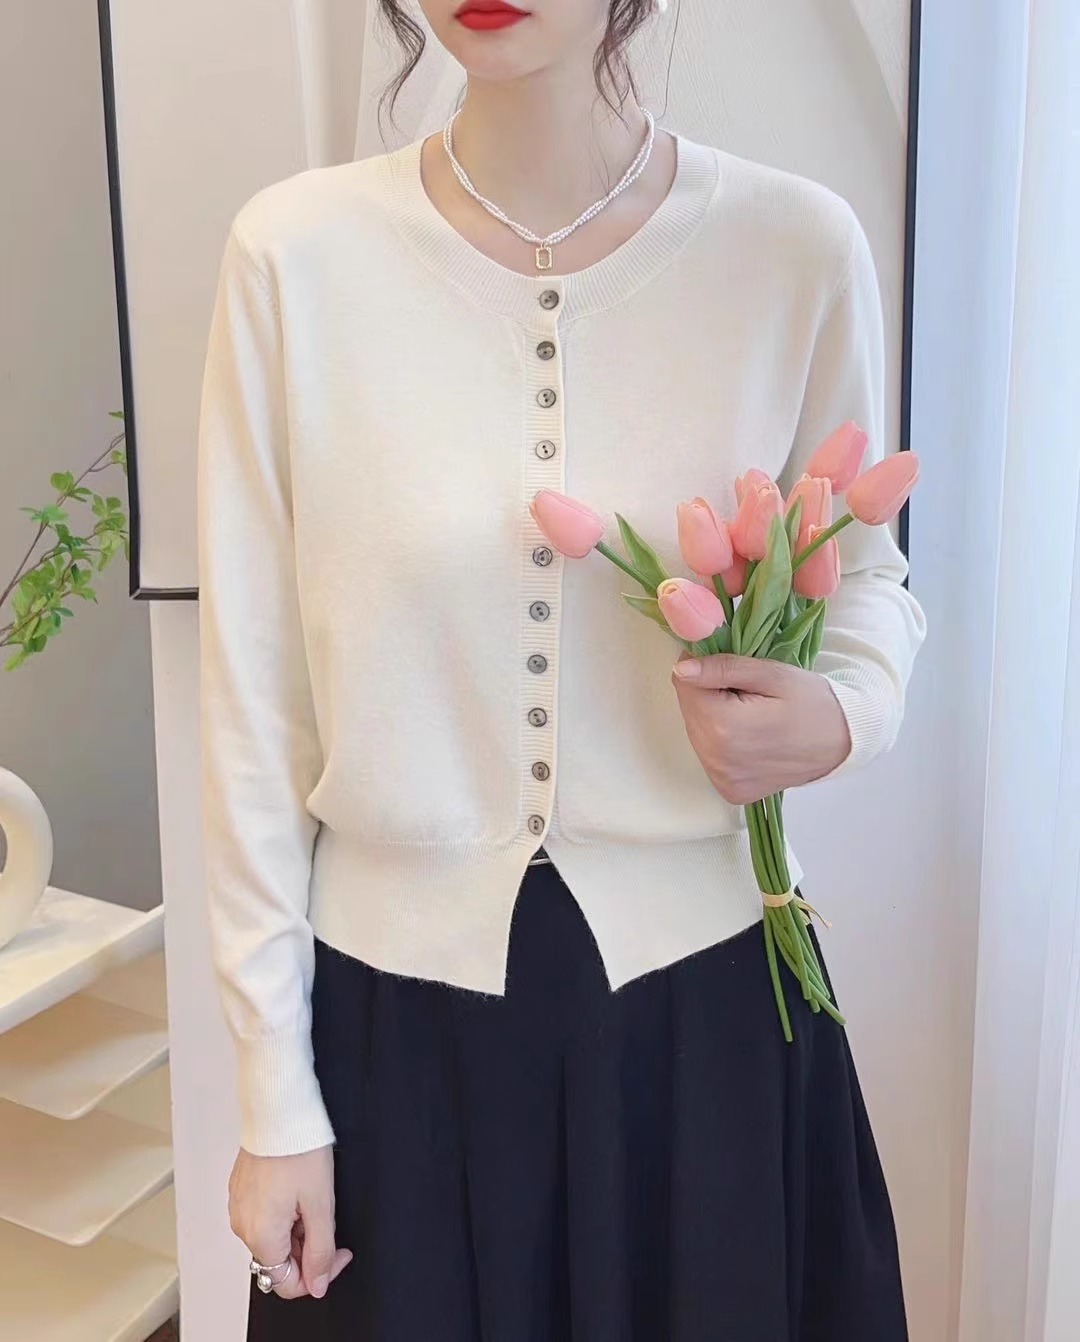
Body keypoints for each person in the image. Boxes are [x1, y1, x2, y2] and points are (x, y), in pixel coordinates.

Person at [196, 1, 926, 1338]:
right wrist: (272, 1097)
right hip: (394, 1038)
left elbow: (871, 579)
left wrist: (841, 712)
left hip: (706, 1018)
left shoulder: (792, 248)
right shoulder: (294, 258)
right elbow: (254, 706)